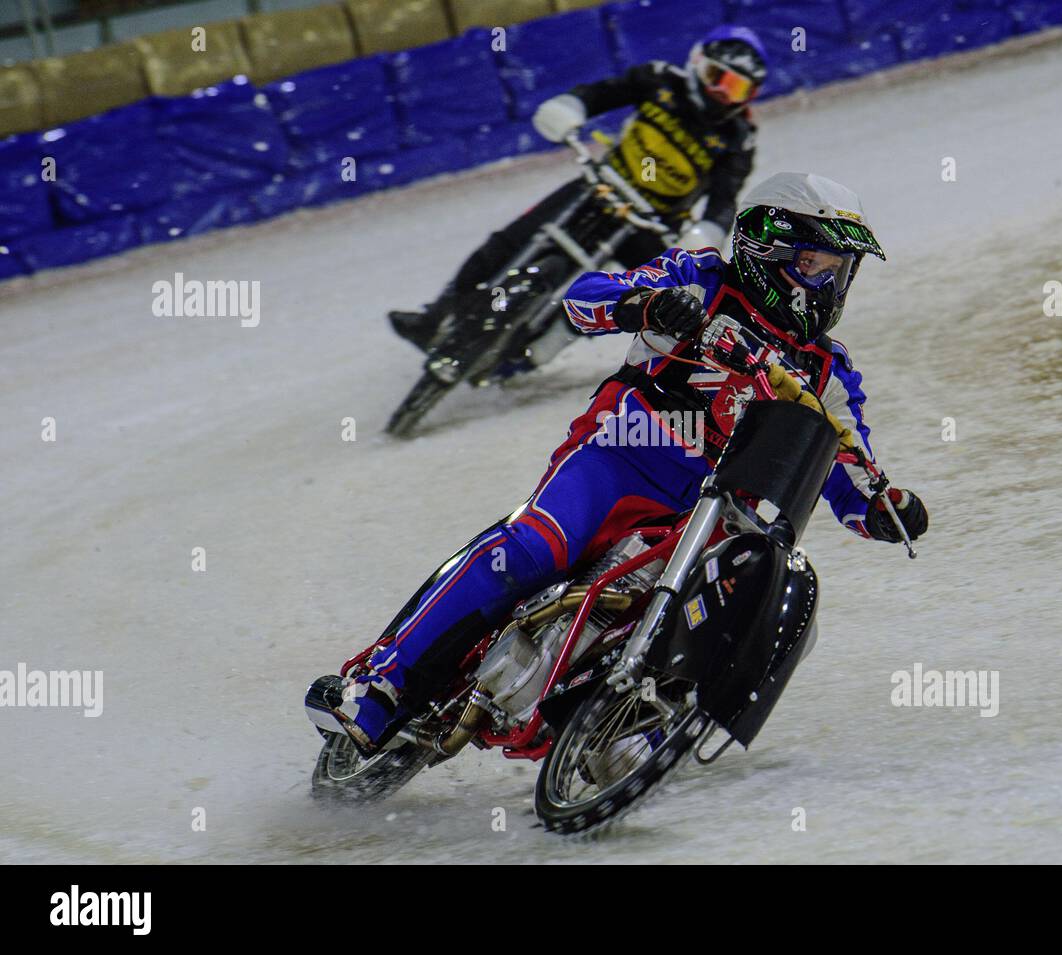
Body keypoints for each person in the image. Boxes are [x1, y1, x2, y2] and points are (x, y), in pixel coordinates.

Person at [336, 171, 930, 753]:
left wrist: (880, 508)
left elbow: (846, 457)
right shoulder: (698, 278)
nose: (828, 285)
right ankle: (381, 683)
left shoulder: (827, 370)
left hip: (709, 510)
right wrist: (646, 307)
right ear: (765, 249)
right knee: (534, 549)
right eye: (814, 265)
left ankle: (634, 723)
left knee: (740, 602)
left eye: (838, 272)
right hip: (617, 459)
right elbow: (581, 298)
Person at [388, 26, 769, 351]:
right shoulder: (658, 79)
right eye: (719, 78)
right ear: (698, 63)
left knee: (636, 294)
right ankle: (435, 317)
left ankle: (544, 348)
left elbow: (724, 197)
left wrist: (706, 232)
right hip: (599, 186)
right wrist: (571, 108)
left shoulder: (738, 137)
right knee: (504, 244)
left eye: (738, 89)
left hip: (649, 223)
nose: (723, 94)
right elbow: (600, 94)